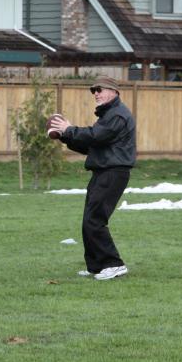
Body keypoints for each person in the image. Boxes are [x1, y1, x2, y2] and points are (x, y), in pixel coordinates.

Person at [51, 76, 136, 281]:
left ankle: (114, 264)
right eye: (93, 91)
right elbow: (91, 145)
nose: (96, 93)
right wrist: (64, 135)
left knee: (94, 220)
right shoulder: (109, 115)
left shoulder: (117, 115)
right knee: (89, 220)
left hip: (112, 173)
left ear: (114, 91)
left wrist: (69, 129)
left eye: (99, 89)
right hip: (103, 172)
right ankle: (96, 266)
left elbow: (95, 136)